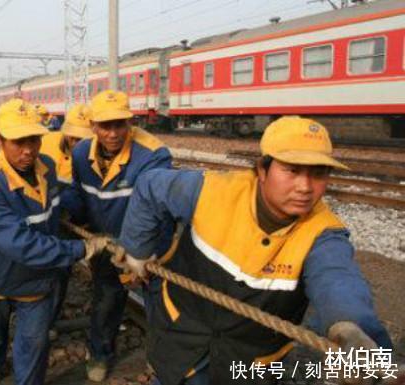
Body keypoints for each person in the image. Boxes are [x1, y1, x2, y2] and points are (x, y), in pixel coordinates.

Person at [116, 116, 396, 385]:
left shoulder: (323, 234)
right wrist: (137, 250)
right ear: (262, 170)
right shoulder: (211, 191)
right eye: (292, 170)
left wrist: (349, 328)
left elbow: (338, 279)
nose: (305, 187)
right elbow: (151, 185)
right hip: (181, 336)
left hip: (250, 363)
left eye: (319, 174)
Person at [0, 98, 110, 385]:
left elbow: (56, 206)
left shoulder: (46, 167)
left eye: (34, 139)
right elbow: (22, 245)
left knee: (33, 346)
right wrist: (83, 248)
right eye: (18, 141)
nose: (28, 149)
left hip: (37, 281)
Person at [65, 90, 172, 382]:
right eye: (105, 125)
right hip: (107, 243)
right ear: (93, 126)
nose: (113, 133)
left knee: (160, 307)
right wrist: (62, 208)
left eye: (120, 124)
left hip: (149, 249)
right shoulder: (79, 154)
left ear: (130, 122)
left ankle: (164, 363)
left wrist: (142, 250)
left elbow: (157, 210)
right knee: (106, 299)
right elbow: (78, 195)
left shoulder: (153, 155)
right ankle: (100, 354)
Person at [40, 103, 93, 334]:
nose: (78, 144)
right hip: (41, 213)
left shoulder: (95, 156)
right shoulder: (44, 143)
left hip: (69, 217)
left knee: (60, 270)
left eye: (84, 139)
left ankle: (48, 320)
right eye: (74, 138)